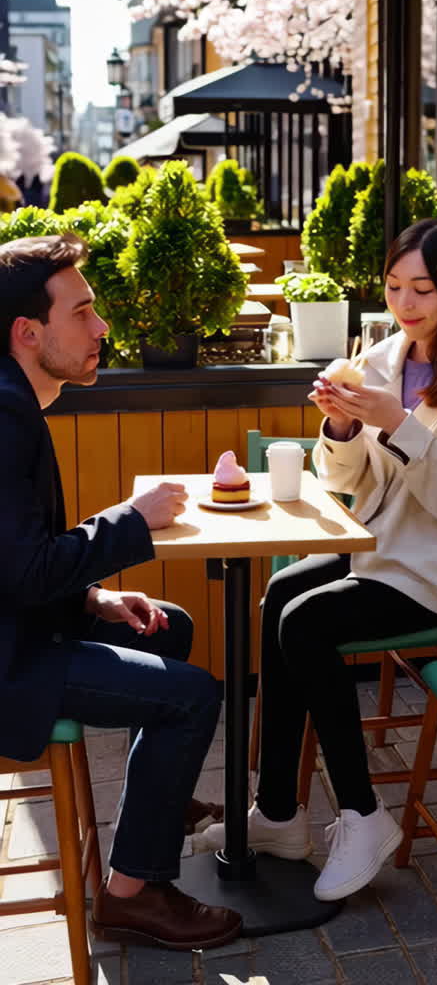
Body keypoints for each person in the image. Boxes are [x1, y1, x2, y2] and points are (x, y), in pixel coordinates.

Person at [198, 218, 437, 902]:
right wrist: (342, 428)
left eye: (423, 289)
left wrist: (394, 421)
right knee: (278, 603)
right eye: (393, 286)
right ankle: (280, 814)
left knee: (306, 625)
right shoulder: (387, 355)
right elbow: (352, 485)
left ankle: (362, 815)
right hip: (381, 547)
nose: (405, 303)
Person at [0, 234, 244, 952]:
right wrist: (131, 521)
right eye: (84, 313)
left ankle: (156, 815)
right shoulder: (5, 417)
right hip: (10, 663)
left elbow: (14, 562)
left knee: (167, 627)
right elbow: (23, 572)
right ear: (28, 332)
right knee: (195, 695)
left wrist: (97, 601)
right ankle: (132, 895)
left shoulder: (15, 402)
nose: (102, 328)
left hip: (22, 628)